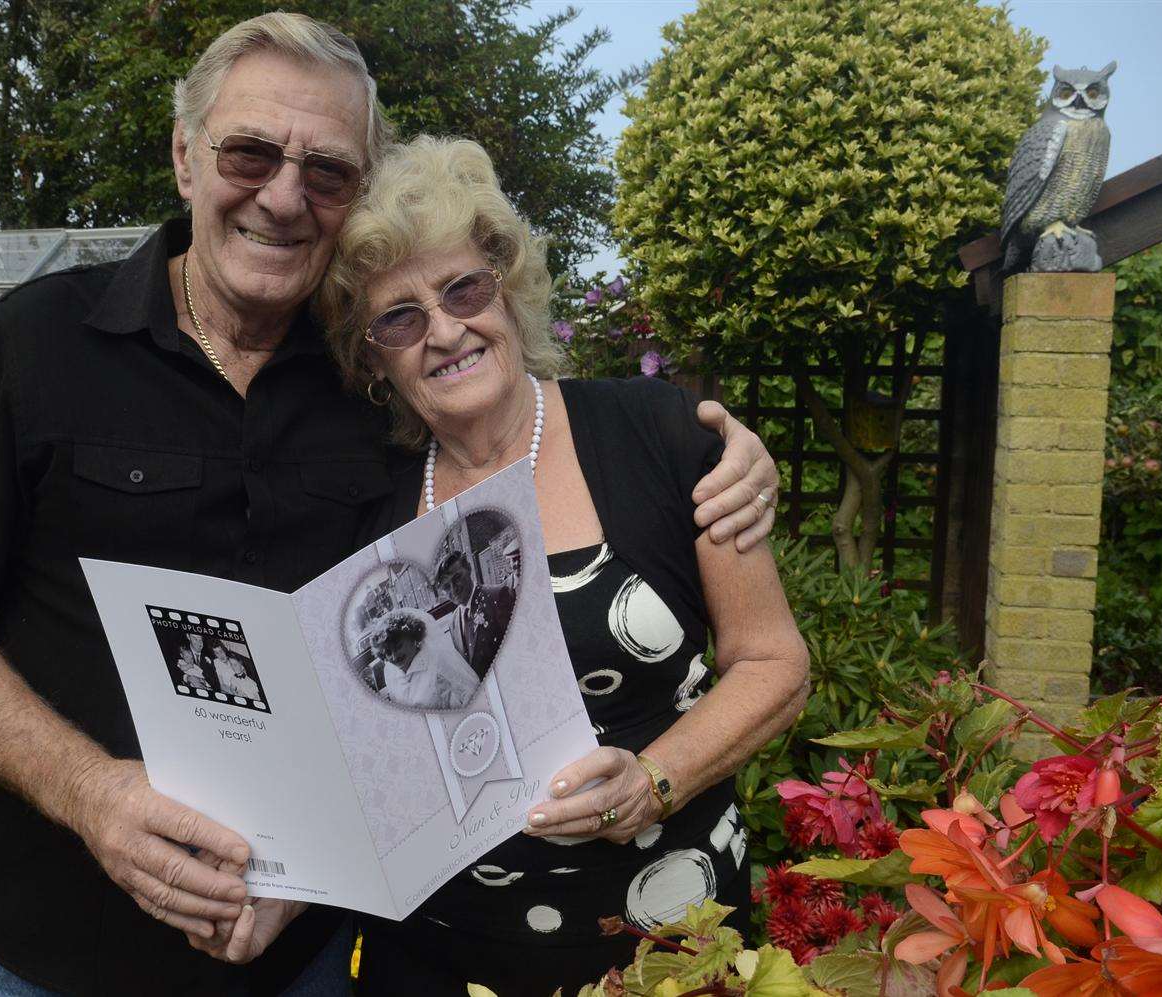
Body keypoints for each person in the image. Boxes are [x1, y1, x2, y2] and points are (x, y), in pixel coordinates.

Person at [0, 14, 779, 996]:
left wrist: (721, 450)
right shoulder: (37, 342)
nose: (284, 195)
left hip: (293, 962)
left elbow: (398, 707)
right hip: (42, 951)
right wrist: (92, 794)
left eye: (327, 172)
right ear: (184, 156)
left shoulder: (369, 400)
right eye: (250, 152)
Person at [316, 136, 811, 995]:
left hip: (664, 953)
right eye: (399, 317)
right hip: (437, 960)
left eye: (462, 288)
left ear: (506, 290)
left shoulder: (655, 434)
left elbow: (773, 662)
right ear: (373, 358)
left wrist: (656, 780)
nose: (443, 330)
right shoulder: (369, 509)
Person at [373, 608, 480, 710]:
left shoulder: (437, 661)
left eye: (398, 646)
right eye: (388, 652)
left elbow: (470, 694)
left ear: (412, 638)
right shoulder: (390, 673)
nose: (394, 656)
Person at [433, 548, 516, 676]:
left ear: (469, 569)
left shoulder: (498, 596)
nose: (453, 589)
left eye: (457, 578)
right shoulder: (454, 622)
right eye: (446, 587)